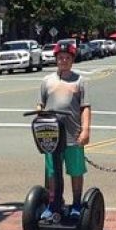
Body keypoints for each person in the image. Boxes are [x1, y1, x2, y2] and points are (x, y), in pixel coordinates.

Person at [36, 40, 91, 220]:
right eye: (61, 58)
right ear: (56, 59)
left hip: (72, 135)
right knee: (52, 173)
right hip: (51, 136)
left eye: (67, 58)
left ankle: (76, 203)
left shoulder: (80, 81)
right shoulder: (47, 81)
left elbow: (85, 108)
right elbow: (40, 104)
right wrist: (39, 111)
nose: (64, 61)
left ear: (72, 60)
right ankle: (54, 203)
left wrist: (85, 131)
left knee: (75, 171)